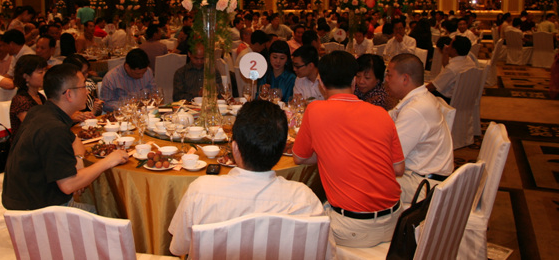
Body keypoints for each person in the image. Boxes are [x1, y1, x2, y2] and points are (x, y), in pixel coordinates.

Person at [169, 100, 326, 257]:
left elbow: (179, 248)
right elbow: (325, 254)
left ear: (235, 148)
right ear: (281, 150)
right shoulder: (305, 200)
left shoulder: (200, 192)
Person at [293, 51, 404, 249]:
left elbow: (299, 158)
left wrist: (327, 154)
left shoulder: (315, 110)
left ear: (321, 83)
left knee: (295, 225)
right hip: (395, 222)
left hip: (352, 227)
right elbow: (398, 168)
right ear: (354, 81)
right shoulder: (381, 114)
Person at [2, 64, 129, 210]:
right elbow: (68, 185)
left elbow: (75, 142)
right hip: (37, 212)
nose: (87, 91)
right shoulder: (53, 129)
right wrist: (109, 160)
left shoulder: (42, 112)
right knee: (111, 212)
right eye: (83, 86)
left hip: (26, 201)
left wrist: (78, 163)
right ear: (69, 94)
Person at [385, 53, 454, 204]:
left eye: (389, 75)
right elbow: (387, 119)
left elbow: (390, 157)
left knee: (362, 179)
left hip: (424, 184)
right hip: (420, 175)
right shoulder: (420, 98)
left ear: (405, 79)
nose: (386, 80)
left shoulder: (416, 109)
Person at [426, 36, 475, 103]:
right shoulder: (469, 61)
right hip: (463, 98)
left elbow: (433, 86)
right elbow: (447, 68)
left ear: (454, 50)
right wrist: (445, 53)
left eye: (450, 45)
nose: (447, 46)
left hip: (447, 100)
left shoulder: (452, 68)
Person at [10, 55, 47, 134]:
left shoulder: (40, 96)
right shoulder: (20, 101)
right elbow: (34, 127)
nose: (44, 75)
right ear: (26, 77)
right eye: (40, 72)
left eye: (45, 71)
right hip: (28, 140)